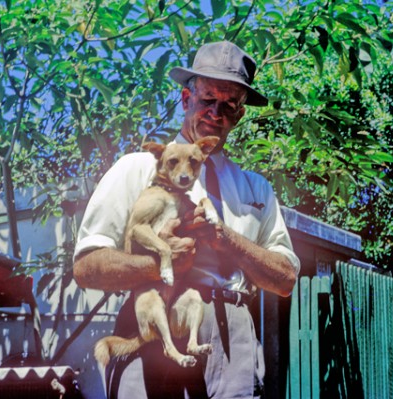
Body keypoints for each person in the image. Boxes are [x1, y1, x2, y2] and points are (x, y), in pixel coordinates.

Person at [73, 41, 300, 399]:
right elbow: (87, 267)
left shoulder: (255, 188)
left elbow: (286, 278)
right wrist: (160, 264)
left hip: (233, 338)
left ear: (240, 115)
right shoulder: (138, 168)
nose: (216, 112)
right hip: (157, 323)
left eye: (229, 105)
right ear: (185, 99)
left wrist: (224, 239)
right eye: (207, 99)